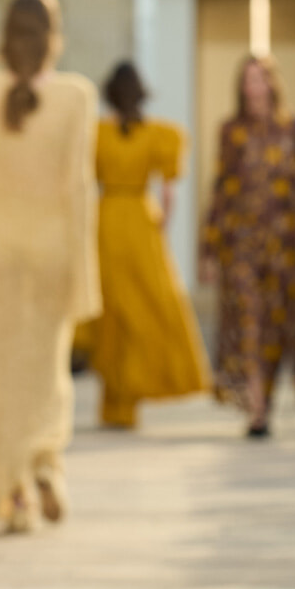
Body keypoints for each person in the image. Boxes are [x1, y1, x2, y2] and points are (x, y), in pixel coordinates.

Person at [0, 0, 99, 531]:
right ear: (53, 35)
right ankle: (44, 460)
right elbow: (79, 189)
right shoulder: (76, 96)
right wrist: (87, 276)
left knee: (2, 370)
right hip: (53, 251)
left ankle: (14, 491)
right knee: (47, 369)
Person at [198, 55, 295, 437]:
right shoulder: (231, 132)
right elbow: (220, 190)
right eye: (247, 80)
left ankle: (263, 400)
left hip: (283, 249)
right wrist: (207, 250)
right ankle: (257, 411)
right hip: (240, 245)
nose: (253, 87)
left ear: (271, 84)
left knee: (275, 328)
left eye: (259, 79)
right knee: (248, 321)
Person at [87, 62, 210, 429]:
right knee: (146, 305)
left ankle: (115, 399)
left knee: (111, 308)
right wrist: (162, 225)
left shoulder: (96, 134)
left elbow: (83, 183)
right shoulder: (159, 134)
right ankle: (130, 394)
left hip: (107, 218)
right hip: (142, 219)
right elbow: (169, 192)